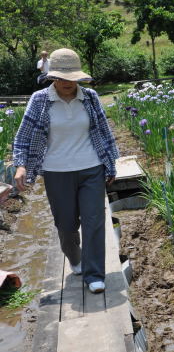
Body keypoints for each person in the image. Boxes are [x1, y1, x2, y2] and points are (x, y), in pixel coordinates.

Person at [13, 48, 119, 294]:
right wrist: (21, 165)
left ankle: (94, 274)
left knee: (94, 221)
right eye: (61, 78)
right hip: (56, 171)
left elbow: (104, 132)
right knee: (66, 226)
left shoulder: (90, 97)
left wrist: (111, 164)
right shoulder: (40, 100)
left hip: (91, 167)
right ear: (52, 77)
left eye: (71, 78)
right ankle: (75, 258)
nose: (67, 83)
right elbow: (23, 137)